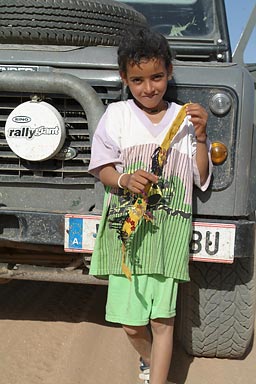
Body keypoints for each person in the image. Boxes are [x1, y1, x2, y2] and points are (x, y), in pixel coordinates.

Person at [88, 26, 212, 384]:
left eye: (157, 77)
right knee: (130, 326)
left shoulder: (184, 120)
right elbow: (102, 167)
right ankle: (151, 360)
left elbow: (198, 177)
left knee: (162, 322)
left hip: (168, 234)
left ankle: (157, 377)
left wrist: (201, 138)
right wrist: (125, 179)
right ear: (125, 79)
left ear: (169, 73)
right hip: (128, 236)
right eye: (138, 79)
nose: (149, 87)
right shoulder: (118, 115)